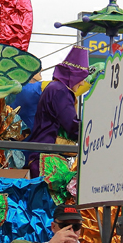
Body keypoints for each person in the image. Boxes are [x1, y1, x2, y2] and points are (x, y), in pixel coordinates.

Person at [25, 47, 89, 176]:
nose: (82, 83)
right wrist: (93, 133)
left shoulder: (54, 88)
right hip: (47, 158)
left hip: (44, 154)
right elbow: (72, 125)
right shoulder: (60, 91)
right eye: (81, 78)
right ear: (73, 75)